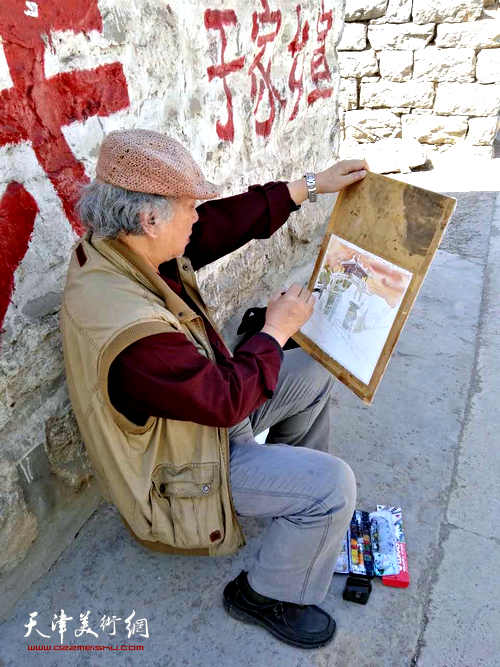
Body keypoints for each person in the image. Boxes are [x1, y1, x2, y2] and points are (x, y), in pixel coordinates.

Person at [60, 129, 367, 650]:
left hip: (201, 418)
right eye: (188, 207)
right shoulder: (129, 327)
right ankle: (264, 593)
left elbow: (216, 227)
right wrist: (275, 330)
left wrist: (309, 186)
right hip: (183, 468)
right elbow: (225, 401)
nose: (197, 216)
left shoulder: (122, 249)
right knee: (335, 485)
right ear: (149, 218)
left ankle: (296, 510)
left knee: (315, 374)